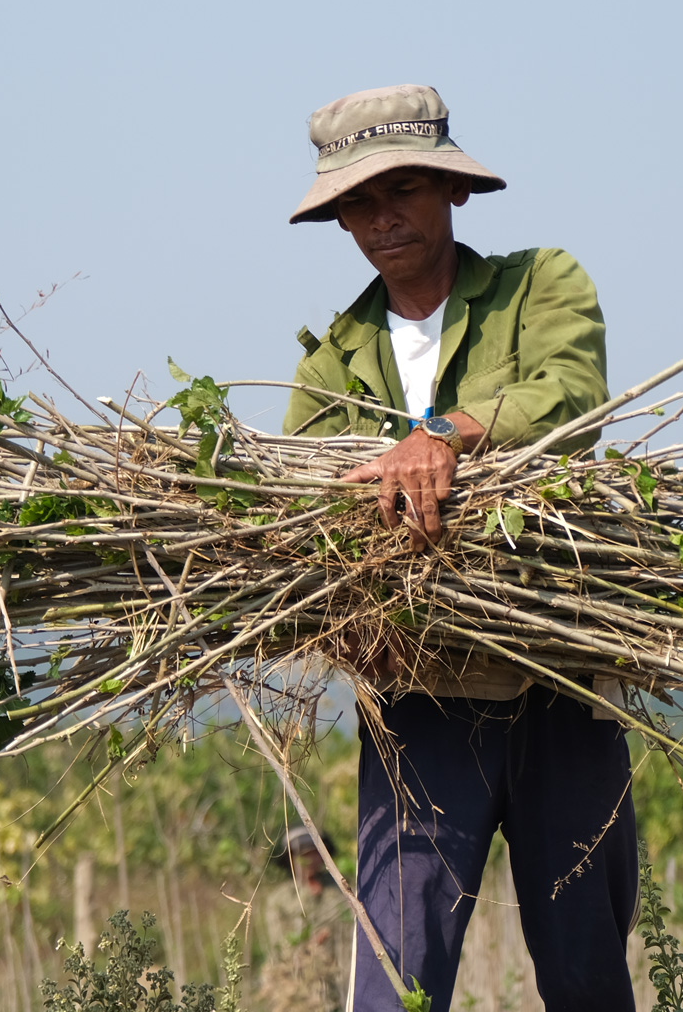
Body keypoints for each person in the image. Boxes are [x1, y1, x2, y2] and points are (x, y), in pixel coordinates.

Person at [282, 85, 639, 1011]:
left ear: (454, 191)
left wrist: (439, 433)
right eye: (358, 202)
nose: (381, 216)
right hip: (420, 700)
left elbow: (570, 401)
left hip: (560, 672)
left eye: (404, 187)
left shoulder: (539, 285)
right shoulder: (331, 364)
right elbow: (304, 519)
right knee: (396, 976)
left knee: (586, 968)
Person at [257, 826, 352, 1011]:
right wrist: (313, 943)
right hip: (300, 984)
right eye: (301, 855)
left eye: (313, 853)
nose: (308, 860)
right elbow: (280, 944)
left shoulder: (340, 888)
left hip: (342, 982)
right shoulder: (280, 899)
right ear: (289, 859)